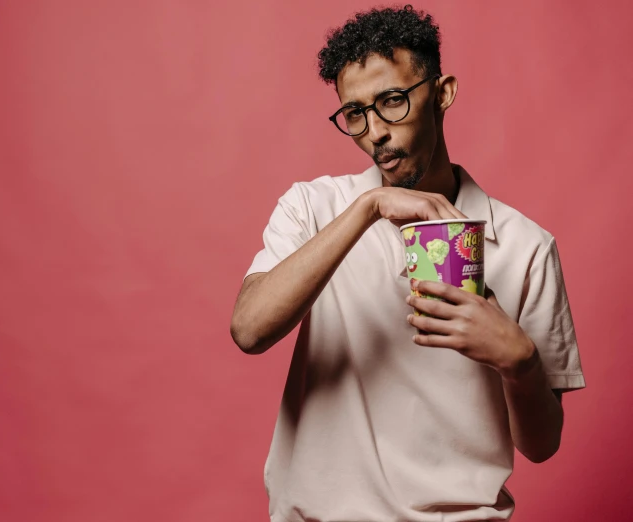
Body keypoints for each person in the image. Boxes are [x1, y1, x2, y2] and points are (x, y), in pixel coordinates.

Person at [230, 5, 585, 522]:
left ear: (442, 94)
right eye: (355, 113)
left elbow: (542, 444)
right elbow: (248, 329)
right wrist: (368, 209)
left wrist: (520, 361)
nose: (375, 131)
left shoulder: (525, 245)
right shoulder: (314, 208)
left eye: (393, 101)